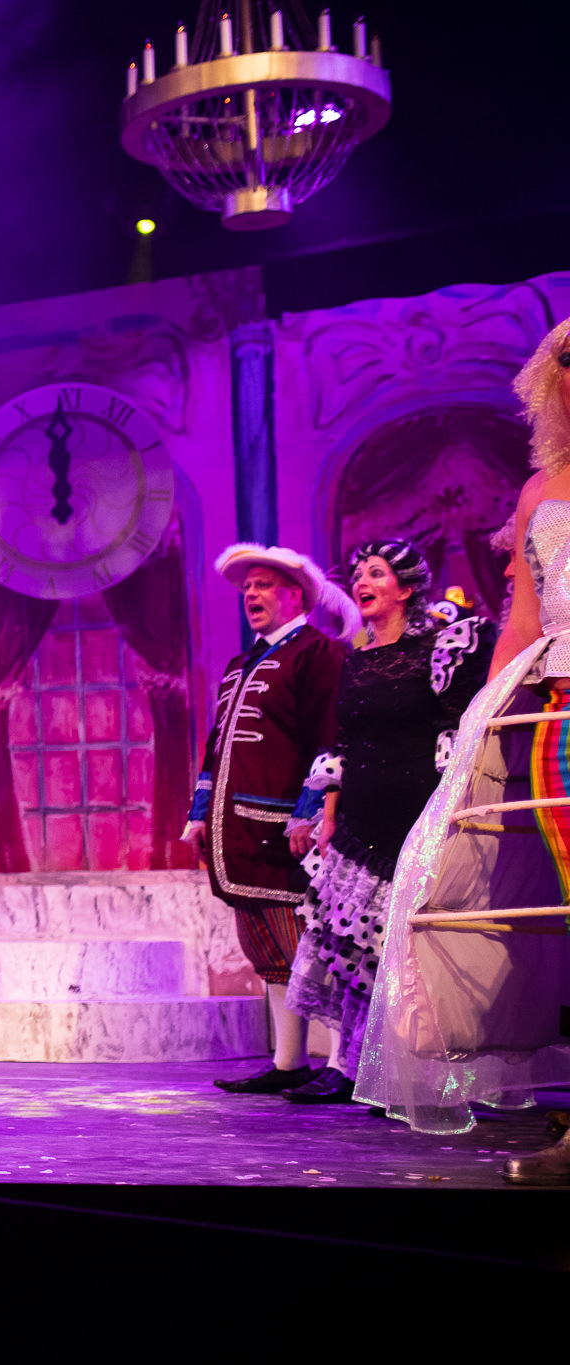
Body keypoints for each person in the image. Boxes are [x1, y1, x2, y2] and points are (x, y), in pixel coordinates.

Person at [357, 321, 570, 1161]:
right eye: (565, 362)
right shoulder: (539, 489)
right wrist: (484, 712)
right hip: (556, 714)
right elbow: (523, 620)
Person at [275, 540, 494, 1104]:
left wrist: (452, 813)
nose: (361, 582)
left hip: (417, 814)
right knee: (352, 952)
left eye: (376, 573)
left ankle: (412, 1076)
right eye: (358, 574)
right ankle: (349, 1068)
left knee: (411, 954)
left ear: (407, 588)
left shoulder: (440, 649)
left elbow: (460, 732)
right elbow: (344, 741)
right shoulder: (357, 659)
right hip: (361, 817)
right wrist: (326, 815)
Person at [183, 543, 350, 1095]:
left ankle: (342, 1064)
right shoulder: (240, 665)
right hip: (239, 831)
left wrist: (310, 813)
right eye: (247, 588)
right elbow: (217, 748)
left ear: (295, 596)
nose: (250, 595)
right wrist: (200, 815)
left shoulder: (317, 653)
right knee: (272, 954)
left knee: (313, 949)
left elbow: (329, 737)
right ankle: (289, 1062)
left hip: (285, 832)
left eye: (263, 586)